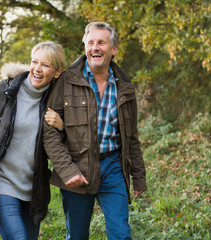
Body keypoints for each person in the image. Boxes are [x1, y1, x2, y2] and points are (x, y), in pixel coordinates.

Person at [42, 22, 147, 240]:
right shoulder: (66, 81)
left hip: (113, 167)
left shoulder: (125, 86)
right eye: (90, 43)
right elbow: (49, 132)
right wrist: (67, 170)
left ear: (113, 49)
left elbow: (131, 136)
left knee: (121, 234)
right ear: (85, 47)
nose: (95, 47)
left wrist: (139, 176)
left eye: (101, 42)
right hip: (77, 167)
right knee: (77, 236)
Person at [0, 41, 65, 240]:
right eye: (34, 62)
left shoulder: (55, 102)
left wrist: (61, 128)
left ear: (57, 72)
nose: (37, 69)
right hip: (0, 184)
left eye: (45, 65)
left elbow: (58, 147)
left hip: (32, 189)